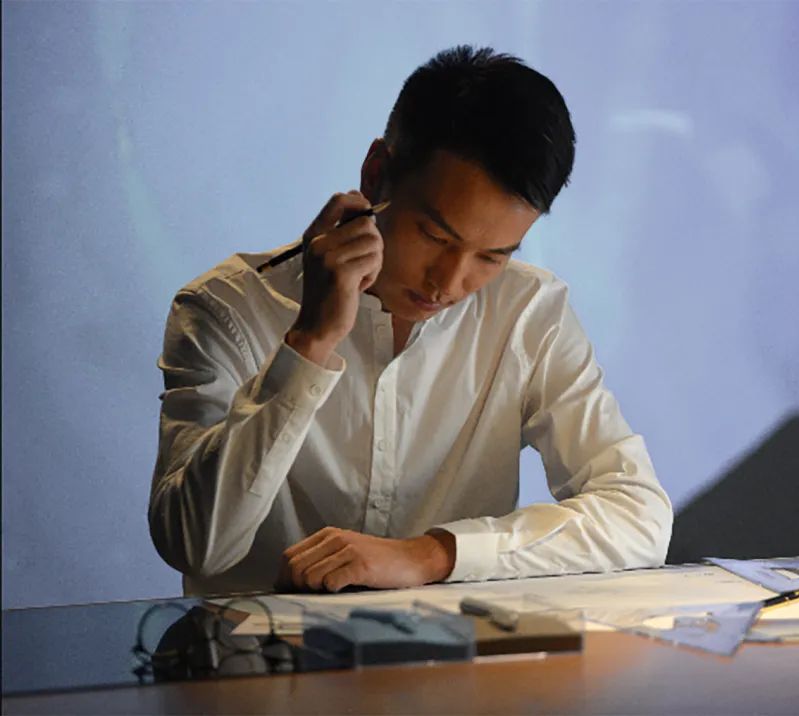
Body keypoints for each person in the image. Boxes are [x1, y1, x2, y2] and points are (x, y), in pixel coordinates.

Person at [149, 45, 673, 596]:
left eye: (492, 257)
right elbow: (197, 547)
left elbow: (639, 515)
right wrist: (310, 343)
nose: (449, 282)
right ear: (376, 174)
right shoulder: (226, 308)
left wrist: (434, 554)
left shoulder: (529, 312)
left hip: (452, 651)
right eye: (434, 236)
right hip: (252, 651)